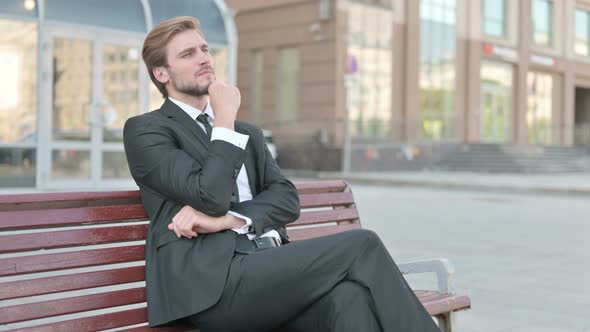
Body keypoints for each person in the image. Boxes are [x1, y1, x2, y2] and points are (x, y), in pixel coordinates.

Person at [123, 16, 439, 332]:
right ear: (161, 73)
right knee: (362, 245)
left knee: (349, 298)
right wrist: (224, 118)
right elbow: (210, 195)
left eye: (205, 49)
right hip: (214, 285)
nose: (205, 58)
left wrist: (230, 220)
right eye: (188, 54)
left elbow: (287, 199)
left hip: (270, 271)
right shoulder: (148, 131)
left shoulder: (246, 133)